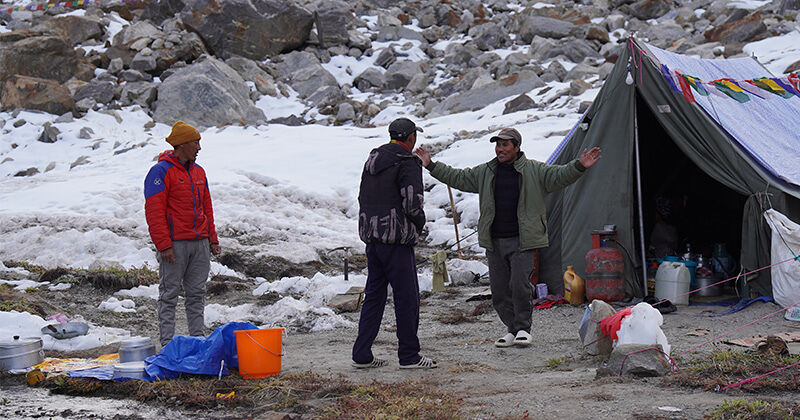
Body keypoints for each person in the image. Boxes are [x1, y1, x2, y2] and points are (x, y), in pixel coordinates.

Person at [415, 128, 601, 348]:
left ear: (516, 147)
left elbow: (559, 175)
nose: (500, 149)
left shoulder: (535, 170)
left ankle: (523, 328)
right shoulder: (486, 171)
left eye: (505, 145)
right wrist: (431, 165)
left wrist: (579, 166)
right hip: (494, 240)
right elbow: (459, 177)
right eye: (498, 145)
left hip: (523, 240)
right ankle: (511, 329)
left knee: (519, 285)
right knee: (500, 290)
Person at [352, 117, 437, 369]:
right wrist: (419, 223)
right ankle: (409, 355)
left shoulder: (373, 158)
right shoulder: (408, 162)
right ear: (411, 138)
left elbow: (362, 196)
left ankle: (362, 354)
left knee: (374, 296)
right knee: (407, 297)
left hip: (373, 238)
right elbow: (412, 202)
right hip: (397, 241)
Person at [144, 121, 221, 347]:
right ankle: (167, 344)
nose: (199, 147)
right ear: (182, 145)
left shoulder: (199, 172)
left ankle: (197, 339)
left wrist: (213, 239)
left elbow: (207, 208)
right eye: (195, 142)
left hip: (200, 243)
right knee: (169, 294)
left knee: (197, 292)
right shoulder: (160, 172)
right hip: (175, 245)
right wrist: (163, 245)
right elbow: (154, 211)